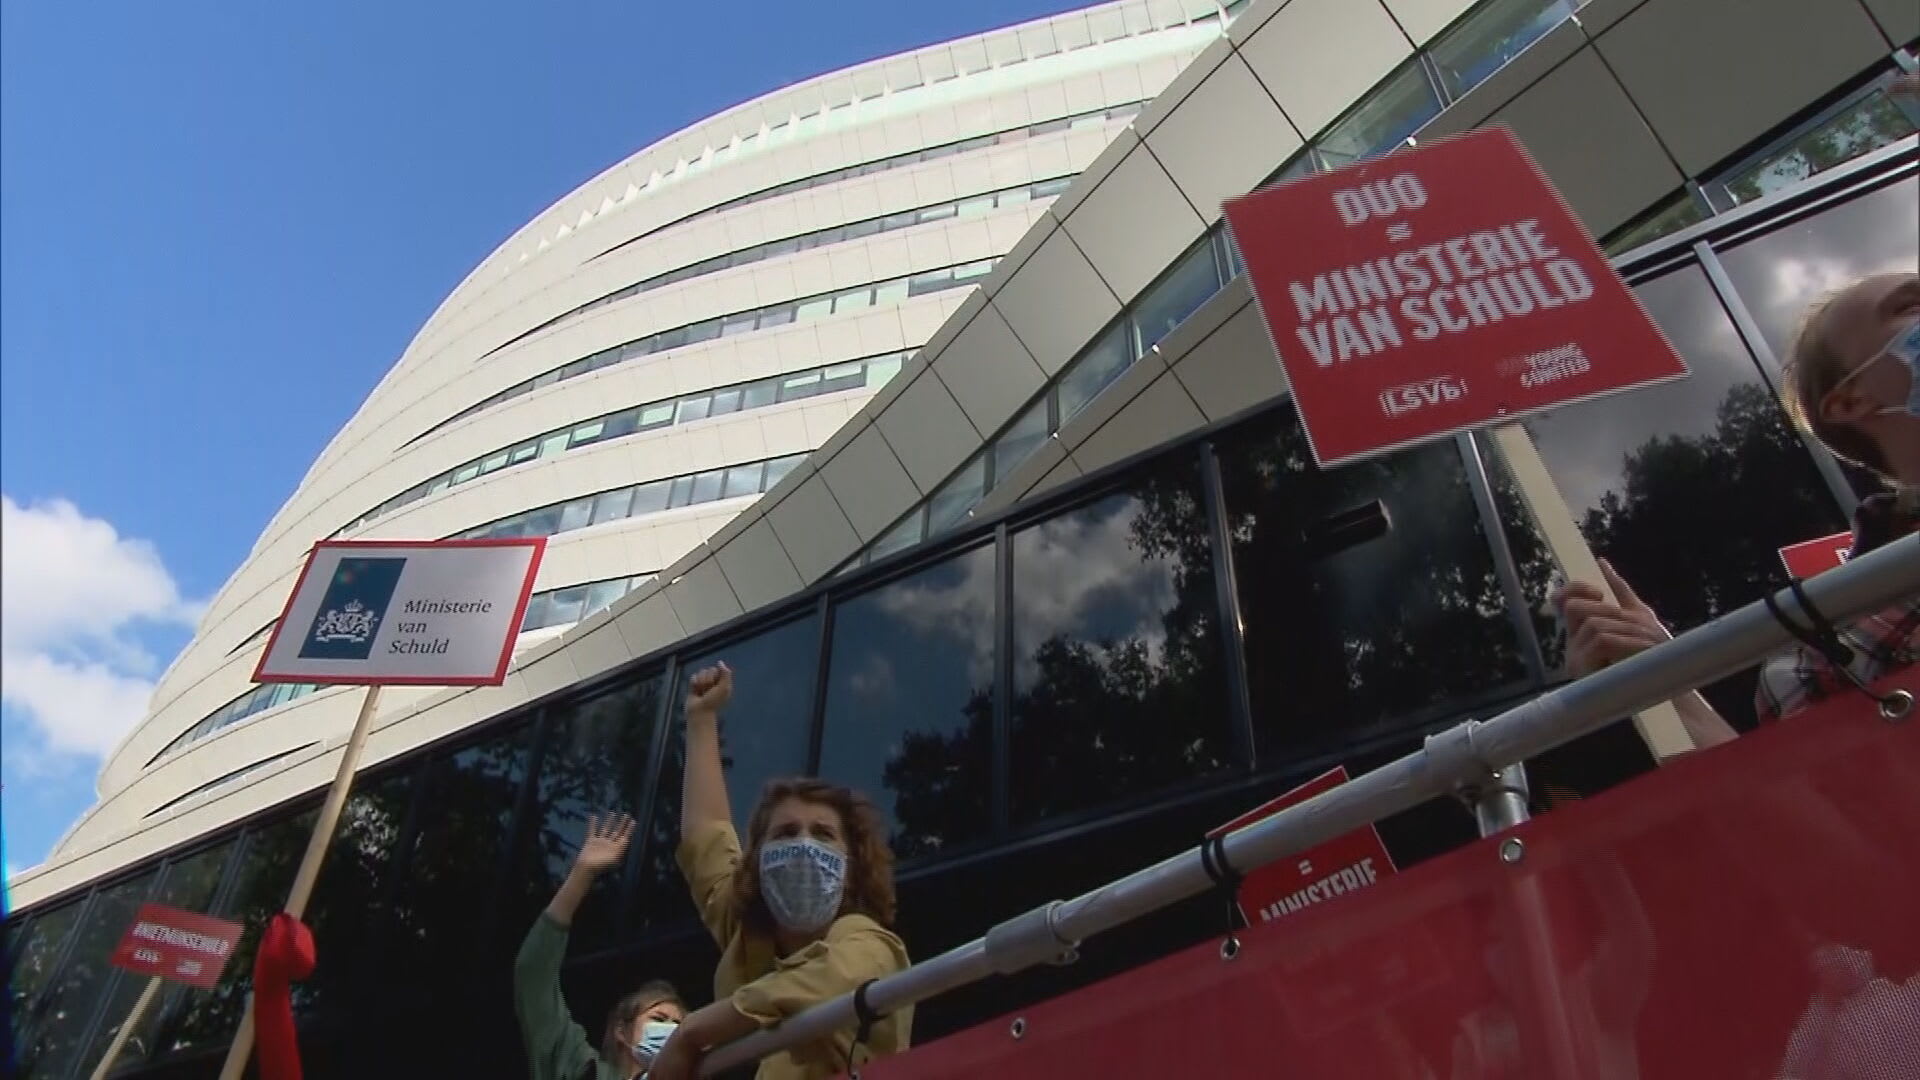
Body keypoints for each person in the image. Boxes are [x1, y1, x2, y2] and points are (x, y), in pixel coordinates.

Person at [1557, 271, 1919, 739]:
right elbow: (1806, 800)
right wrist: (1665, 687)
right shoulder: (1832, 652)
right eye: (1908, 306)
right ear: (1850, 400)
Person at [646, 662, 912, 1080]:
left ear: (853, 866)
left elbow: (832, 978)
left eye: (823, 834)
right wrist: (700, 719)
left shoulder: (869, 943)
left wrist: (692, 1032)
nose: (804, 846)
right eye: (786, 832)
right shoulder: (748, 939)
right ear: (759, 861)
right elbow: (705, 842)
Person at [515, 811, 688, 1080]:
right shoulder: (580, 1069)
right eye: (659, 1019)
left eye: (678, 1024)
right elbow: (533, 974)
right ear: (622, 1031)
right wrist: (583, 873)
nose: (670, 1030)